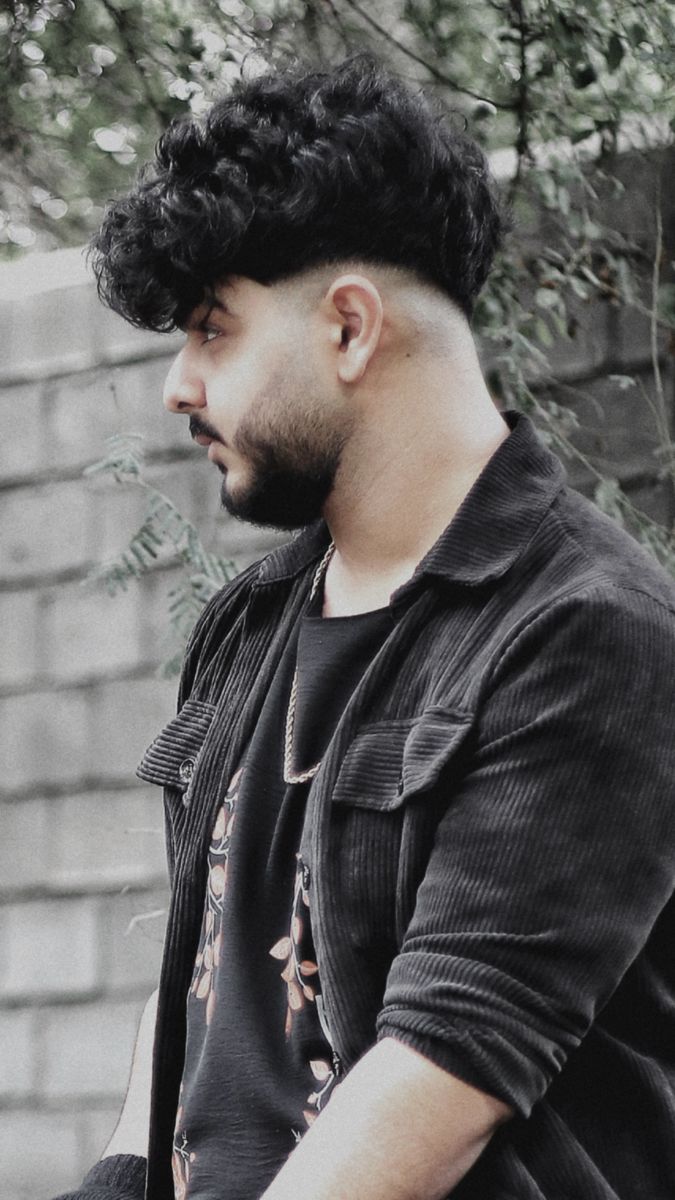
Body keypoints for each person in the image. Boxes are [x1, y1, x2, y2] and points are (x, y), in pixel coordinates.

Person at [57, 52, 675, 1200]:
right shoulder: (249, 625)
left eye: (212, 329)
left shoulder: (588, 635)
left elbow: (433, 1088)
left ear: (349, 327)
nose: (178, 385)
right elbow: (203, 975)